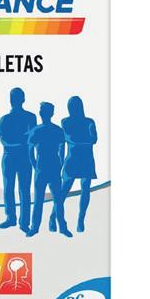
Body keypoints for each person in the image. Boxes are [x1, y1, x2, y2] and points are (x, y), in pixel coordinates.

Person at [49, 96, 97, 233]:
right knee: (63, 191)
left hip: (84, 158)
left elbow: (93, 139)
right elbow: (71, 139)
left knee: (84, 189)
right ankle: (53, 217)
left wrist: (79, 140)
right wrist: (84, 139)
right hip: (75, 159)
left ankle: (80, 220)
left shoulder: (86, 121)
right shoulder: (68, 122)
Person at [26, 102, 72, 238]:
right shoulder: (56, 130)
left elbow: (30, 151)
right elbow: (62, 150)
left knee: (41, 200)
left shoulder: (37, 130)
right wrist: (60, 164)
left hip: (44, 168)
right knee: (56, 200)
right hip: (50, 168)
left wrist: (35, 165)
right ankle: (59, 227)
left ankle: (36, 228)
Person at [0, 87, 37, 232]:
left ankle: (24, 222)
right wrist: (23, 140)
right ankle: (12, 218)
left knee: (24, 190)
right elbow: (4, 140)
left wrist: (18, 140)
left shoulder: (29, 117)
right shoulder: (7, 119)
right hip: (13, 157)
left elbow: (32, 138)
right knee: (10, 188)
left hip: (20, 157)